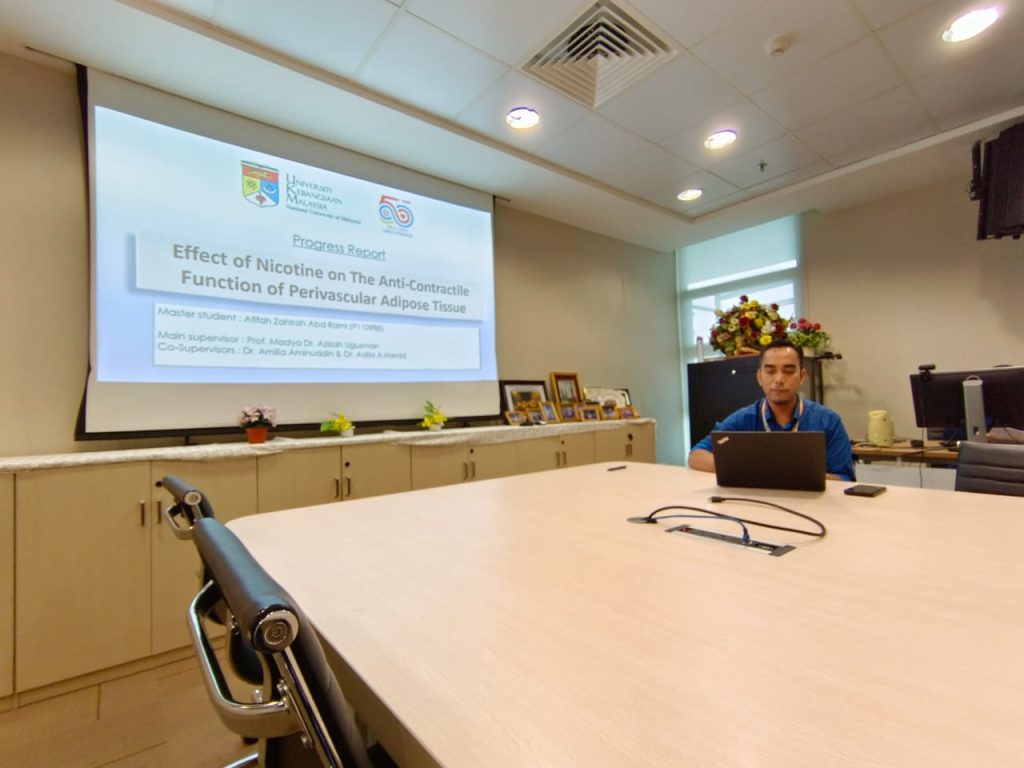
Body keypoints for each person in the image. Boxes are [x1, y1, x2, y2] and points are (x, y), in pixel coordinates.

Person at [688, 339, 855, 481]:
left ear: (802, 376)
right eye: (770, 371)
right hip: (758, 503)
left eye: (788, 371)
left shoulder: (828, 421)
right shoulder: (744, 419)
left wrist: (788, 477)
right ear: (759, 377)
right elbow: (696, 455)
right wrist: (747, 470)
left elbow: (844, 478)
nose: (779, 379)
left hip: (813, 504)